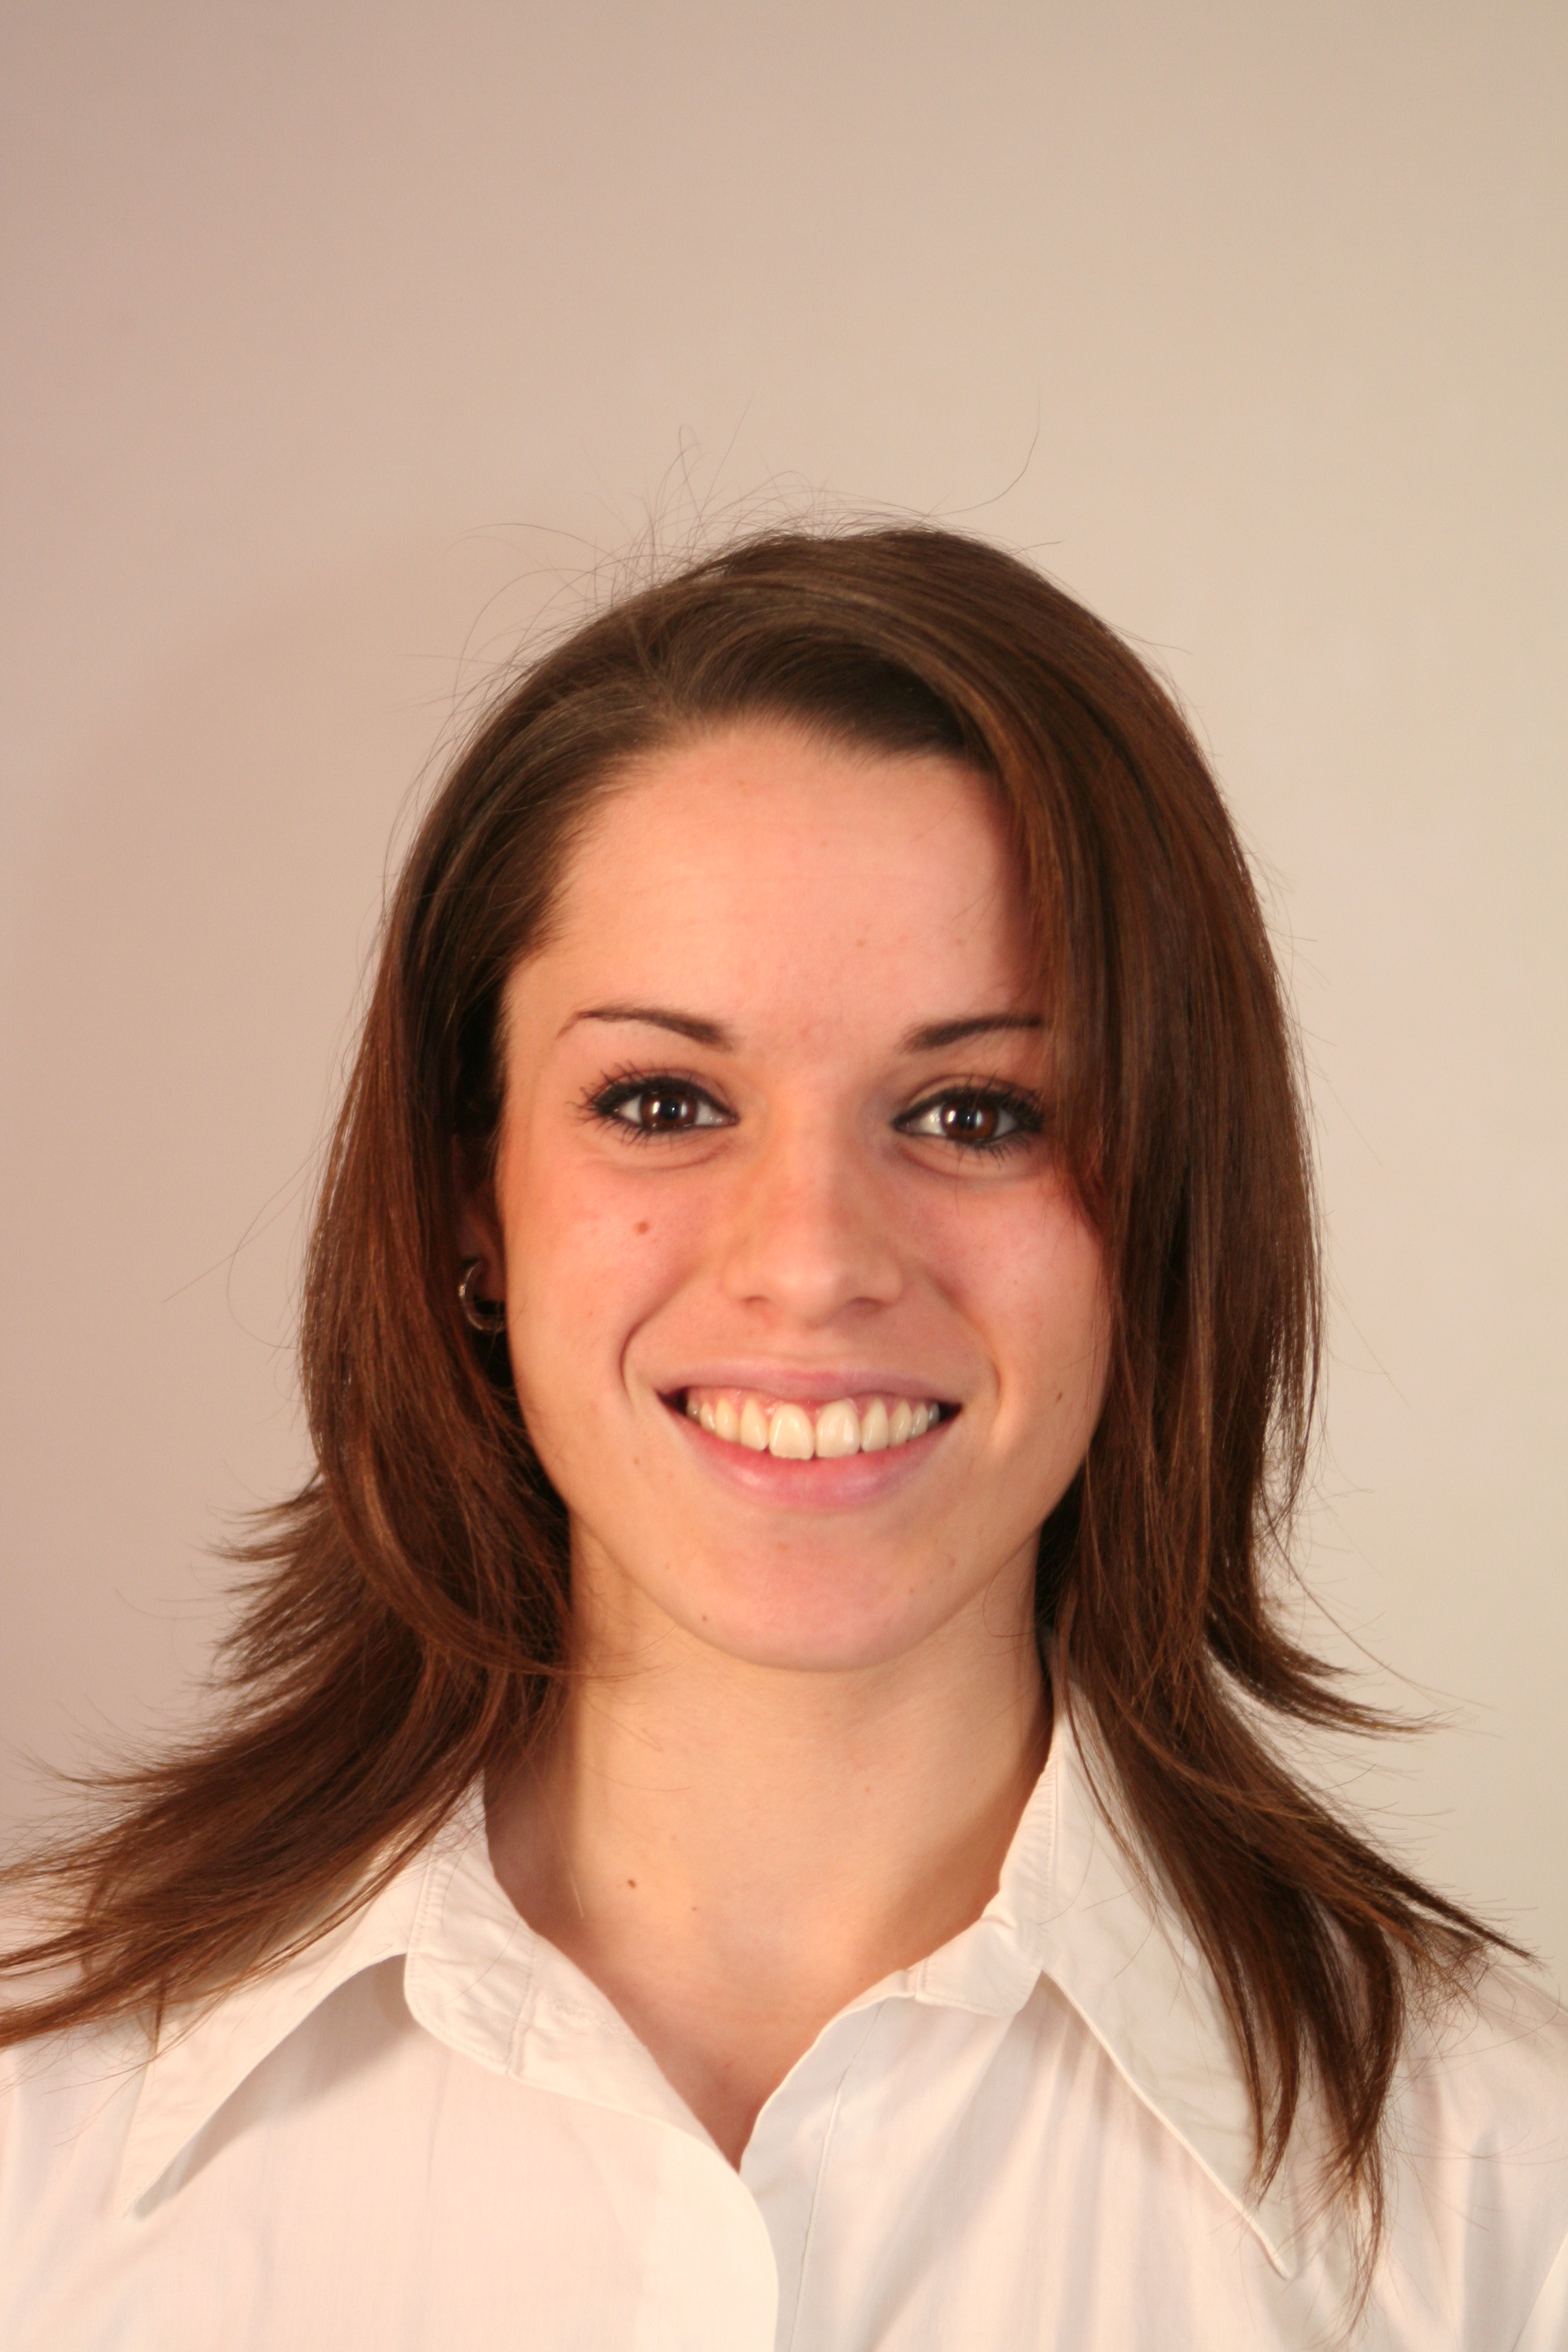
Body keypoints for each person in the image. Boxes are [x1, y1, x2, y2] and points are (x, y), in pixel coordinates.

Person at [1, 524, 1564, 2349]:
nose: (813, 1263)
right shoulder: (37, 2125)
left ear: (1167, 1212)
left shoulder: (1505, 2202)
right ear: (469, 1202)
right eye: (666, 1102)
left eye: (976, 1113)